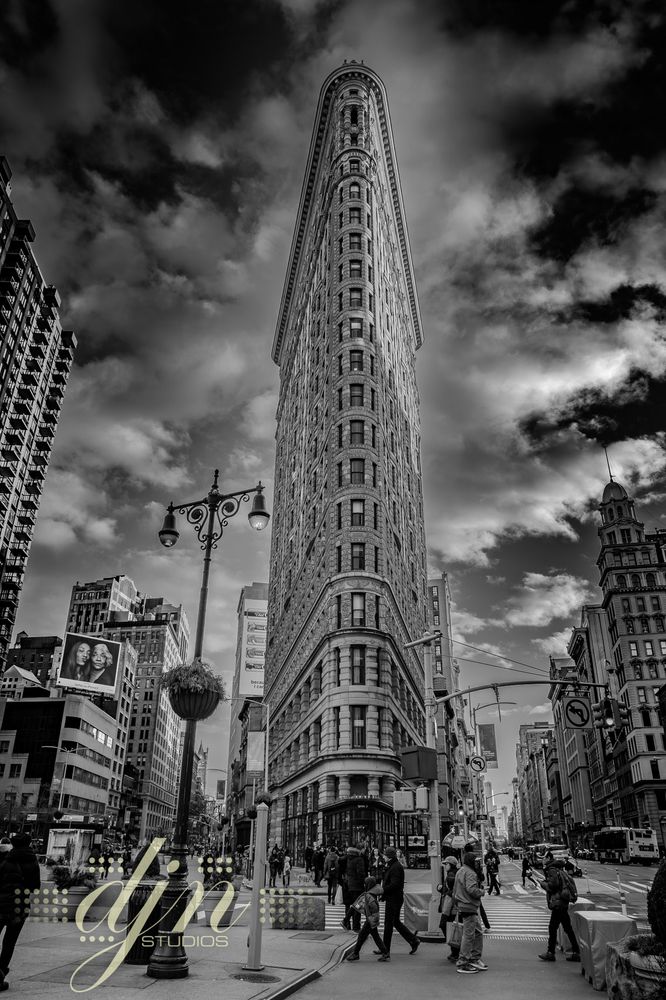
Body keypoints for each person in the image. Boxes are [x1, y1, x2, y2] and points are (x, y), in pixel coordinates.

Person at [0, 833, 40, 989]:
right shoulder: (32, 860)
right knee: (9, 943)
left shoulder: (6, 858)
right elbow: (35, 886)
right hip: (20, 907)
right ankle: (1, 973)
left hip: (2, 904)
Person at [377, 845, 419, 960]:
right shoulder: (392, 865)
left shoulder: (395, 867)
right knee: (395, 922)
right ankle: (413, 940)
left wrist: (383, 890)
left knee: (389, 924)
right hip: (394, 898)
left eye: (385, 855)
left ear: (389, 857)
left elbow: (395, 884)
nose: (383, 857)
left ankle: (385, 950)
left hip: (394, 899)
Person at [538, 859, 580, 963]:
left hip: (558, 903)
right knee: (567, 928)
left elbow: (553, 886)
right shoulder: (559, 870)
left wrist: (543, 884)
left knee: (553, 928)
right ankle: (576, 952)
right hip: (562, 903)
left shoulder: (552, 870)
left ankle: (551, 953)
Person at [453, 851, 487, 974]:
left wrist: (456, 903)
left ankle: (474, 957)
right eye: (476, 861)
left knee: (477, 931)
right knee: (469, 934)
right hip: (470, 905)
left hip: (462, 904)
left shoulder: (461, 870)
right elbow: (472, 889)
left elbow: (454, 890)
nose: (477, 863)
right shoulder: (470, 873)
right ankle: (464, 962)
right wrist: (482, 892)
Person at [345, 877, 389, 962]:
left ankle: (356, 954)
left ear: (368, 885)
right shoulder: (371, 894)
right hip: (372, 919)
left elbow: (373, 908)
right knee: (375, 936)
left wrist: (372, 919)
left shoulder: (369, 896)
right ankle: (385, 953)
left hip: (370, 919)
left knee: (361, 935)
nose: (364, 885)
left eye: (365, 883)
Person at [439, 855, 461, 963]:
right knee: (451, 928)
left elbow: (453, 890)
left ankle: (456, 951)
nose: (445, 866)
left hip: (450, 907)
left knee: (446, 926)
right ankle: (455, 951)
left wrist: (444, 890)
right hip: (451, 906)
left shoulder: (451, 875)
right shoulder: (452, 874)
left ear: (450, 865)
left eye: (446, 864)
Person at [341, 846, 366, 932]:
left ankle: (347, 924)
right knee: (357, 906)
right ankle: (356, 926)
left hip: (347, 885)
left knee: (349, 905)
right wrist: (363, 882)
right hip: (357, 886)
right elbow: (360, 873)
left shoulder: (347, 859)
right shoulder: (359, 860)